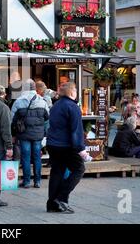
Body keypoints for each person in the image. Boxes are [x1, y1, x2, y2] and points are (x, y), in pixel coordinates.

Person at [46, 82, 91, 214]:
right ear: (71, 93)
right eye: (75, 90)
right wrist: (81, 149)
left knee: (57, 172)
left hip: (53, 144)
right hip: (65, 145)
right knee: (79, 168)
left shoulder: (55, 106)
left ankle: (52, 204)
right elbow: (76, 129)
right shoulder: (73, 107)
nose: (76, 92)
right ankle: (61, 198)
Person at [11, 79, 49, 188]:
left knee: (26, 157)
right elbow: (47, 117)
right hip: (38, 135)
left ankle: (27, 181)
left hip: (24, 134)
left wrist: (13, 133)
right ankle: (37, 181)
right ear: (34, 88)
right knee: (37, 157)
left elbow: (12, 119)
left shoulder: (18, 101)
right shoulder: (42, 101)